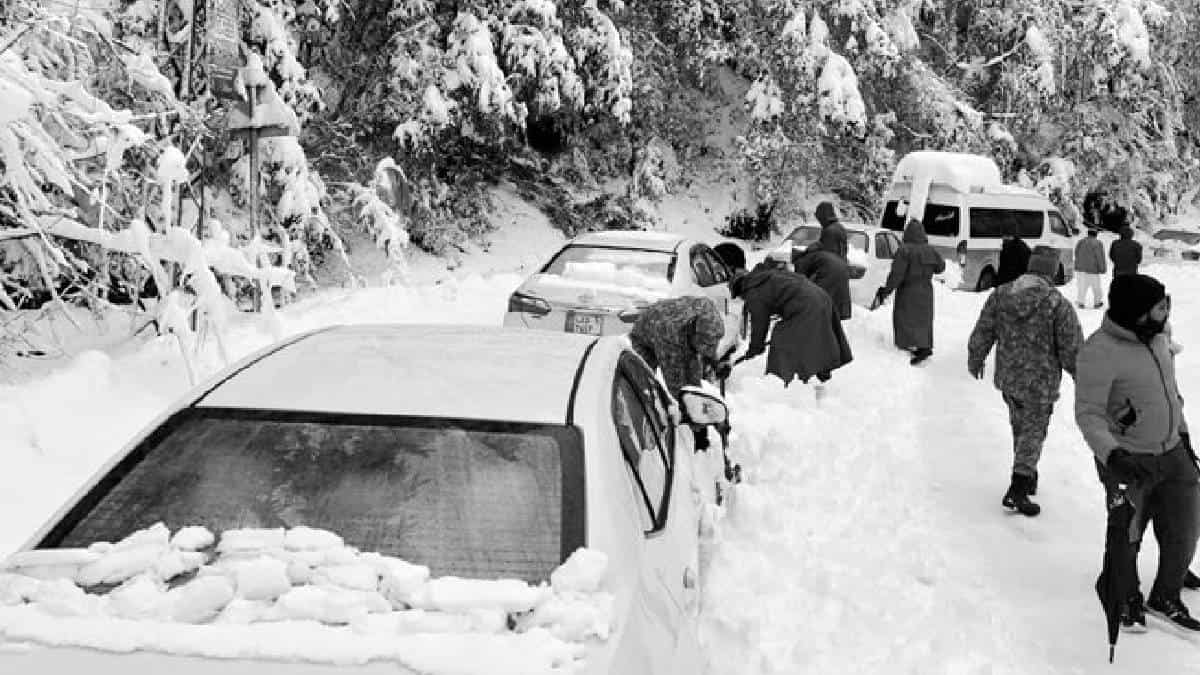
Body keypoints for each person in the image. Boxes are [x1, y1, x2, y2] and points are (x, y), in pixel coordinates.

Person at [1075, 273, 1200, 632]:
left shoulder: (1158, 339)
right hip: (1128, 457)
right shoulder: (1100, 351)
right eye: (1159, 306)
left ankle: (1166, 594)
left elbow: (1170, 394)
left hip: (1173, 450)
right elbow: (1088, 413)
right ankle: (1126, 596)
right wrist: (1112, 455)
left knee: (1185, 526)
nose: (1166, 310)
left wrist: (1183, 434)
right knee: (1127, 532)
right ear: (1136, 312)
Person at [968, 248, 1083, 516]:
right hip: (1040, 383)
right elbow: (1072, 347)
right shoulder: (1057, 304)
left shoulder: (1001, 295)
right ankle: (1018, 488)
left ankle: (1027, 473)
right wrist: (1083, 376)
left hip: (1009, 378)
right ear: (1052, 270)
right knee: (1033, 431)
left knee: (1020, 425)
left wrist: (976, 356)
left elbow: (984, 328)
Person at [726, 256, 852, 390]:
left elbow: (760, 325)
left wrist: (755, 349)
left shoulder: (753, 292)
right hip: (821, 297)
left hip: (806, 304)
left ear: (740, 288)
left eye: (739, 296)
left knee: (782, 339)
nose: (742, 299)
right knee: (815, 334)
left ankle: (778, 381)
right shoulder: (764, 277)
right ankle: (822, 371)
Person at [628, 295, 728, 451]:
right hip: (647, 335)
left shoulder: (708, 314)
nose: (708, 347)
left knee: (694, 383)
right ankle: (639, 431)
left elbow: (707, 345)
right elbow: (678, 387)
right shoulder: (669, 337)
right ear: (695, 334)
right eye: (703, 344)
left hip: (681, 333)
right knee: (642, 387)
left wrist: (717, 363)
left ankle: (699, 435)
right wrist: (694, 417)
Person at [875, 218, 946, 365]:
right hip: (926, 290)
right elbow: (941, 267)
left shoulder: (904, 250)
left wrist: (886, 290)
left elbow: (896, 274)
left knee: (904, 318)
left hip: (908, 291)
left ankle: (907, 345)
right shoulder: (930, 250)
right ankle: (924, 346)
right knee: (923, 320)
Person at [792, 225, 853, 320]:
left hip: (819, 301)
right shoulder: (840, 259)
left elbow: (799, 279)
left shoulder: (815, 254)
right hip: (838, 305)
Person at [1074, 227, 1107, 308]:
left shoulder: (1080, 242)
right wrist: (1102, 268)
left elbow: (1076, 253)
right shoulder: (1098, 243)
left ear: (1088, 234)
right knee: (1096, 288)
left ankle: (1080, 303)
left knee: (1081, 287)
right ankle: (1097, 303)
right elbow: (1099, 257)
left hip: (1080, 269)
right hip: (1093, 270)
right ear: (1096, 235)